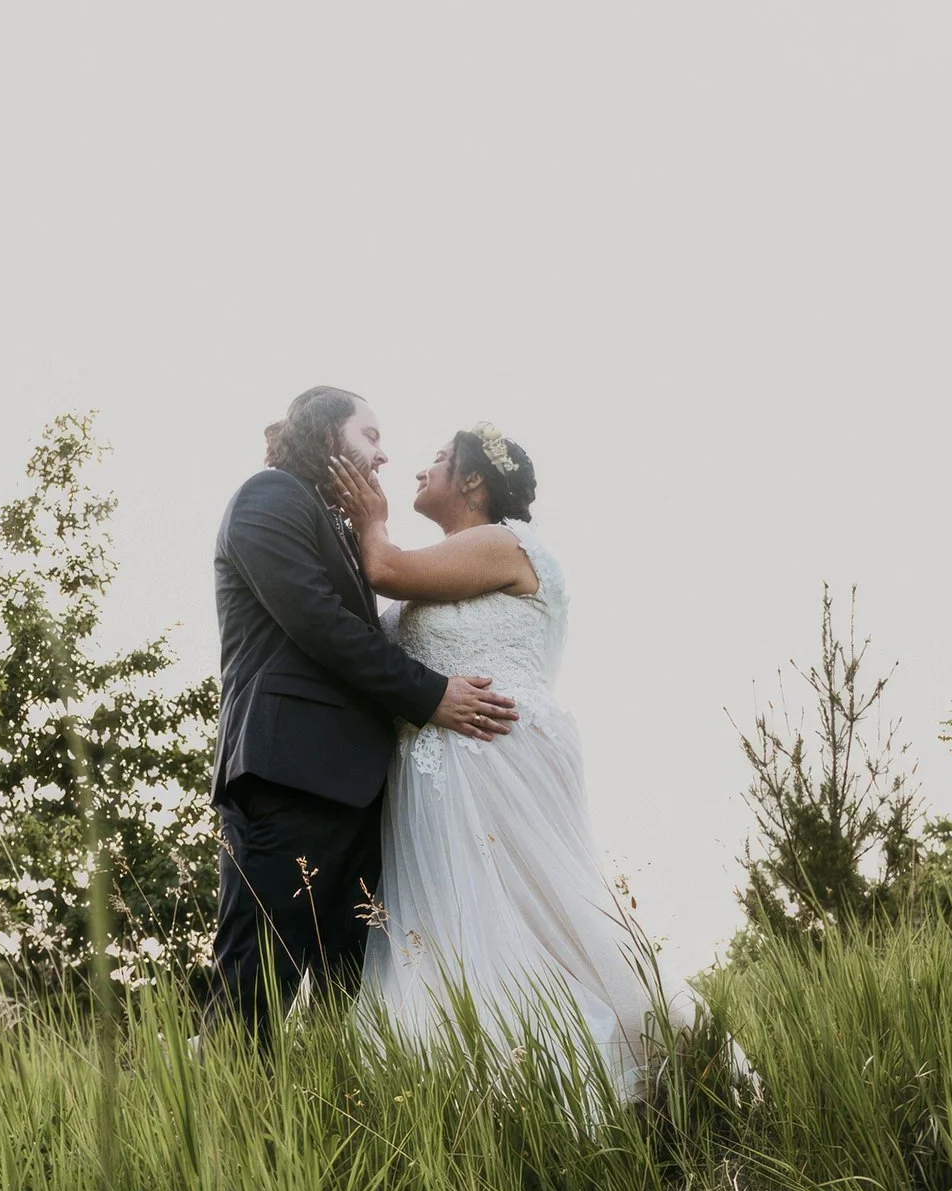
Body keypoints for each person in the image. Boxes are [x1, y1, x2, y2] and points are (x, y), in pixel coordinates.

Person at [338, 422, 696, 1094]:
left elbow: (382, 568)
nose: (421, 468)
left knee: (537, 914)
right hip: (435, 767)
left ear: (474, 481)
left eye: (440, 460)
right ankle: (490, 1085)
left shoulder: (503, 542)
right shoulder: (455, 559)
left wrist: (372, 517)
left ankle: (635, 1068)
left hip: (495, 755)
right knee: (459, 930)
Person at [210, 387, 517, 1037]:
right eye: (370, 436)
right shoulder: (269, 498)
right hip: (289, 777)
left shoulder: (338, 528)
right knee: (256, 982)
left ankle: (323, 1117)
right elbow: (320, 625)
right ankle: (217, 1123)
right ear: (326, 435)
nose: (383, 455)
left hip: (359, 792)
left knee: (352, 996)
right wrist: (433, 695)